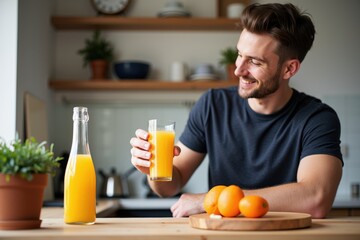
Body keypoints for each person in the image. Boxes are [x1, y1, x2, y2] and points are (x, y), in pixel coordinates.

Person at [130, 3, 343, 219]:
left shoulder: (317, 118)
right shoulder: (212, 105)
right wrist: (153, 169)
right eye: (240, 54)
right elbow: (168, 187)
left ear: (289, 68)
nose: (238, 69)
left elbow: (316, 198)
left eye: (254, 61)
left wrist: (210, 200)